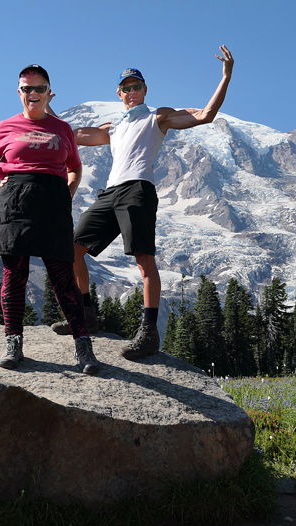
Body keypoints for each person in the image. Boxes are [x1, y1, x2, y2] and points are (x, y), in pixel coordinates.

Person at [51, 46, 235, 360]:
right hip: (110, 194)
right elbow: (72, 134)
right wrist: (45, 109)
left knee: (143, 261)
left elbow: (205, 116)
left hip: (138, 190)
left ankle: (149, 334)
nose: (132, 92)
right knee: (71, 250)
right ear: (119, 94)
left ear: (145, 90)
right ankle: (85, 316)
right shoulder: (114, 127)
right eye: (126, 88)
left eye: (137, 87)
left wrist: (226, 76)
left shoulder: (157, 116)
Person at [0, 64, 99, 374]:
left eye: (39, 88)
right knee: (14, 277)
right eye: (27, 88)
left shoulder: (62, 129)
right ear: (19, 92)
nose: (33, 94)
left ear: (49, 91)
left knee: (62, 277)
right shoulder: (4, 126)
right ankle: (13, 345)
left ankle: (84, 347)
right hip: (15, 201)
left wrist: (67, 192)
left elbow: (75, 167)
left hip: (53, 203)